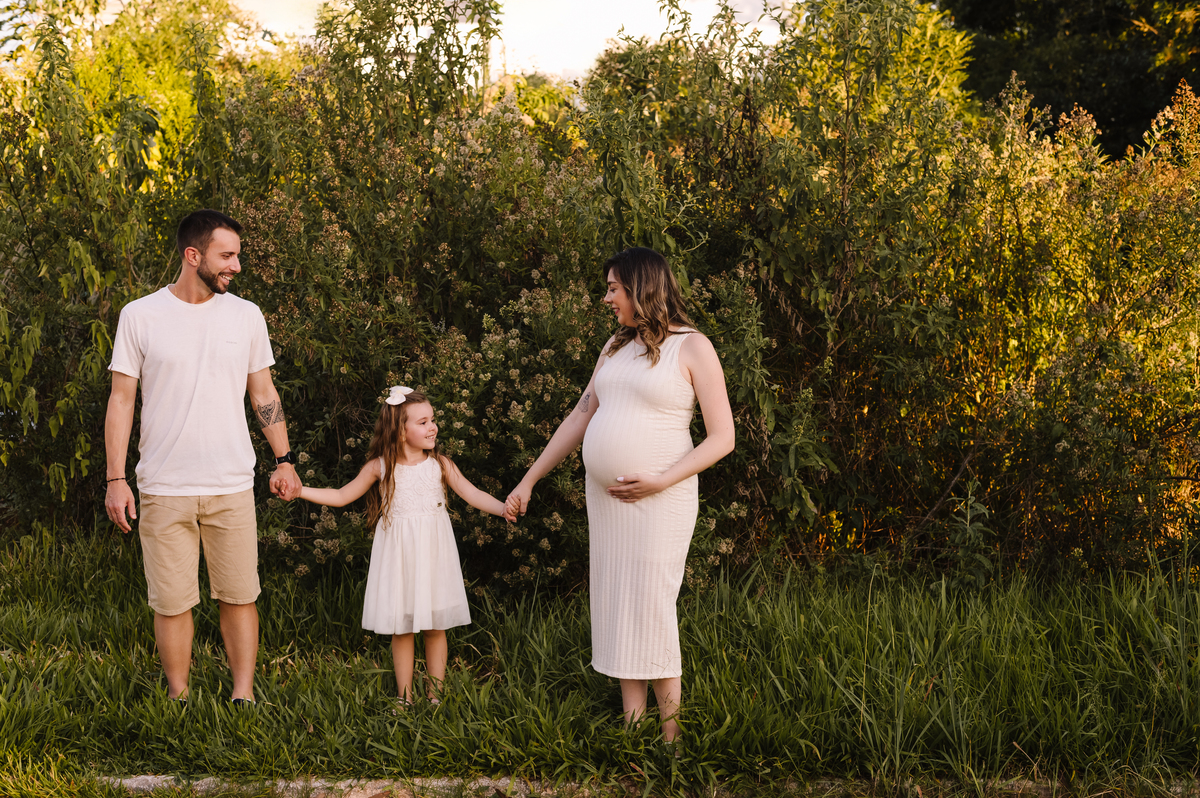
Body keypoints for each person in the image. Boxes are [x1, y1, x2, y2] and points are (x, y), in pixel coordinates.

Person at [505, 247, 735, 744]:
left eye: (614, 288)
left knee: (651, 603)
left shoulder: (693, 347)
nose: (607, 297)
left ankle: (671, 738)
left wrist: (661, 479)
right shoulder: (613, 346)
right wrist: (530, 479)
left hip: (661, 500)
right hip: (608, 499)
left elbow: (723, 438)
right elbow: (580, 415)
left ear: (641, 288)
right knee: (616, 601)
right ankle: (632, 728)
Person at [104, 209, 302, 705]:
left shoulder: (246, 315)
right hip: (163, 486)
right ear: (193, 256)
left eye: (237, 255)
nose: (236, 265)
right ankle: (179, 698)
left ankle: (243, 696)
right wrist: (115, 478)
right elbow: (121, 401)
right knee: (171, 602)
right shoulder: (140, 315)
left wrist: (285, 458)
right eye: (227, 255)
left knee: (239, 595)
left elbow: (263, 393)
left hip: (231, 484)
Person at [299, 386, 514, 703]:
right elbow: (342, 495)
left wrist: (502, 508)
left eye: (432, 420)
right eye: (423, 422)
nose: (433, 427)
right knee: (402, 628)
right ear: (400, 431)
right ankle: (404, 696)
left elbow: (472, 494)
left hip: (433, 556)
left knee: (435, 626)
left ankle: (435, 696)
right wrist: (300, 491)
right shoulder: (380, 468)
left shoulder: (440, 464)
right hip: (399, 558)